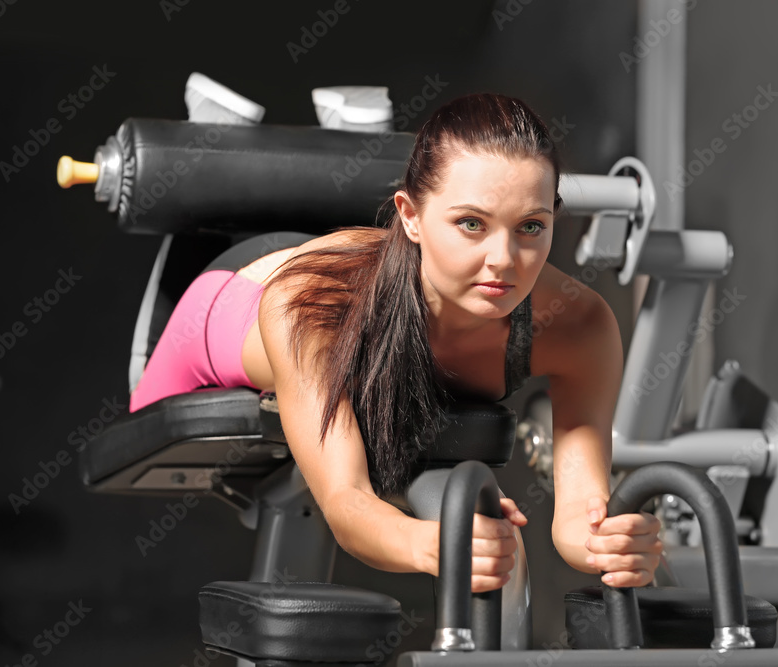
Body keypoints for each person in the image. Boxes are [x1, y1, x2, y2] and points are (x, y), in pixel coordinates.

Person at [129, 93, 662, 594]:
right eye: (471, 224)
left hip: (366, 278)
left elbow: (579, 516)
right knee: (145, 415)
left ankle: (342, 145)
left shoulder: (579, 325)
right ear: (409, 215)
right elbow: (346, 501)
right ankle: (219, 142)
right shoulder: (308, 307)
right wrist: (431, 544)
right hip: (238, 298)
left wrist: (611, 545)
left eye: (530, 226)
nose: (504, 259)